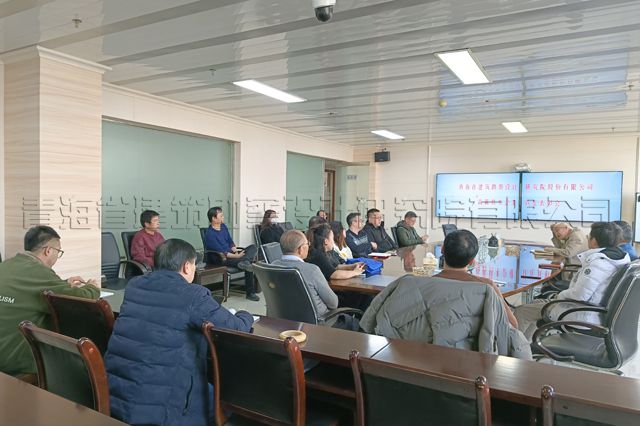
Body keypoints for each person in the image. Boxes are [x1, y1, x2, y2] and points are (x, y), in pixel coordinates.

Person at [105, 239, 253, 426]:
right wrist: (245, 315)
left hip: (116, 397)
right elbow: (235, 327)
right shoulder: (193, 294)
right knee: (225, 401)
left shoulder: (135, 286)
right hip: (162, 409)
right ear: (186, 266)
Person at [0, 226, 100, 378]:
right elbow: (82, 300)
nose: (57, 256)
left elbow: (29, 291)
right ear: (48, 250)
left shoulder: (6, 266)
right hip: (17, 362)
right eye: (58, 252)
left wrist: (64, 284)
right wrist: (92, 287)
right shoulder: (39, 273)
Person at [514, 222, 630, 340]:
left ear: (594, 241)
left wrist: (560, 295)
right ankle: (526, 344)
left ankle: (515, 348)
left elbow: (580, 295)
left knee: (521, 311)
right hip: (591, 309)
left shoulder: (598, 264)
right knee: (533, 304)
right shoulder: (617, 258)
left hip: (579, 313)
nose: (587, 238)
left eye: (589, 236)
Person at [433, 230, 518, 328]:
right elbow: (512, 325)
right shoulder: (487, 286)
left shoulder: (424, 284)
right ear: (472, 261)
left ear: (442, 249)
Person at [272, 230, 339, 319]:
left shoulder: (272, 266)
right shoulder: (312, 270)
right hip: (320, 322)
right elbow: (333, 303)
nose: (309, 246)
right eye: (307, 244)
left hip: (282, 319)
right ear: (300, 249)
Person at [203, 207, 259, 301]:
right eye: (221, 216)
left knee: (253, 247)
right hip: (221, 259)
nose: (223, 217)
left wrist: (235, 251)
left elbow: (230, 241)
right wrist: (237, 256)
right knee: (248, 265)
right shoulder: (210, 234)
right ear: (214, 218)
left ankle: (244, 261)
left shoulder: (223, 227)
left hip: (232, 255)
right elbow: (222, 252)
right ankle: (250, 293)